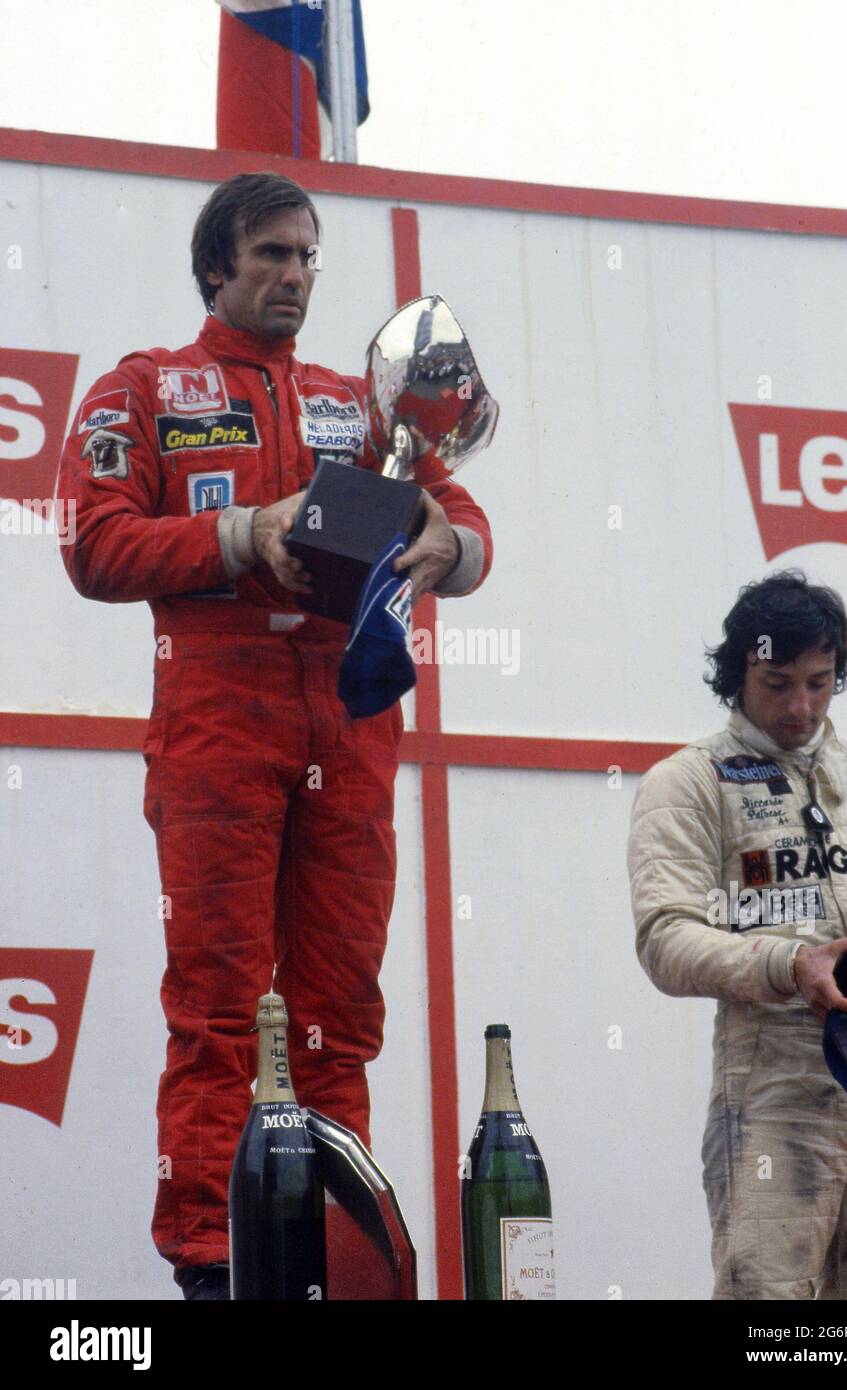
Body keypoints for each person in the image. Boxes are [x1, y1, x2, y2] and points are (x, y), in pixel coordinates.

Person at [56, 172, 493, 1299]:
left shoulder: (365, 401)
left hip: (349, 717)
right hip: (219, 712)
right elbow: (94, 545)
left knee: (340, 1005)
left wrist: (444, 547)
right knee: (221, 1001)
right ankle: (215, 1256)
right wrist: (249, 533)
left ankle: (338, 1247)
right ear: (216, 266)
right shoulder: (144, 386)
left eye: (306, 257)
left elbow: (467, 522)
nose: (293, 275)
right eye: (270, 255)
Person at [627, 572, 847, 1300]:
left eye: (819, 683)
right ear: (736, 676)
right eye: (776, 684)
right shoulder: (687, 781)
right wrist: (790, 964)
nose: (800, 707)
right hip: (774, 1091)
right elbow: (665, 940)